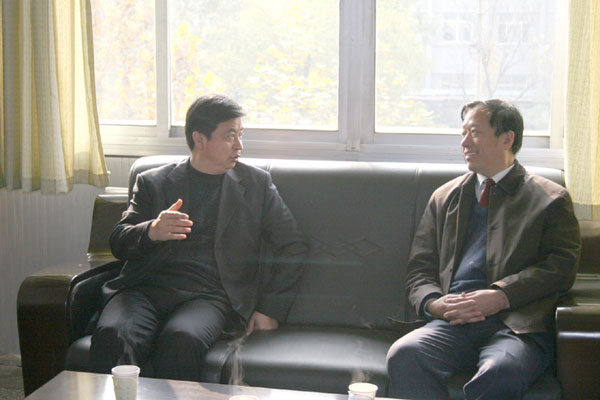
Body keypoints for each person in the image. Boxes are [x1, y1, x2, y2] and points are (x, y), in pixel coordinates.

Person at [90, 95, 308, 381]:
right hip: (144, 290)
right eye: (230, 136)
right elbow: (119, 241)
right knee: (114, 334)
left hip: (209, 297)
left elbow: (293, 246)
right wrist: (152, 231)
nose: (239, 145)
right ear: (200, 139)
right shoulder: (154, 182)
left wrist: (270, 309)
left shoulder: (256, 184)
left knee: (181, 339)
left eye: (240, 135)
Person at [386, 99, 580, 399]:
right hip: (453, 323)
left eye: (475, 132)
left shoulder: (550, 199)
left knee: (501, 371)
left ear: (507, 139)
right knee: (406, 355)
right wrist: (436, 304)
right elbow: (419, 270)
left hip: (518, 327)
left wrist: (501, 296)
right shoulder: (444, 197)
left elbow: (561, 268)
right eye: (463, 133)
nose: (464, 142)